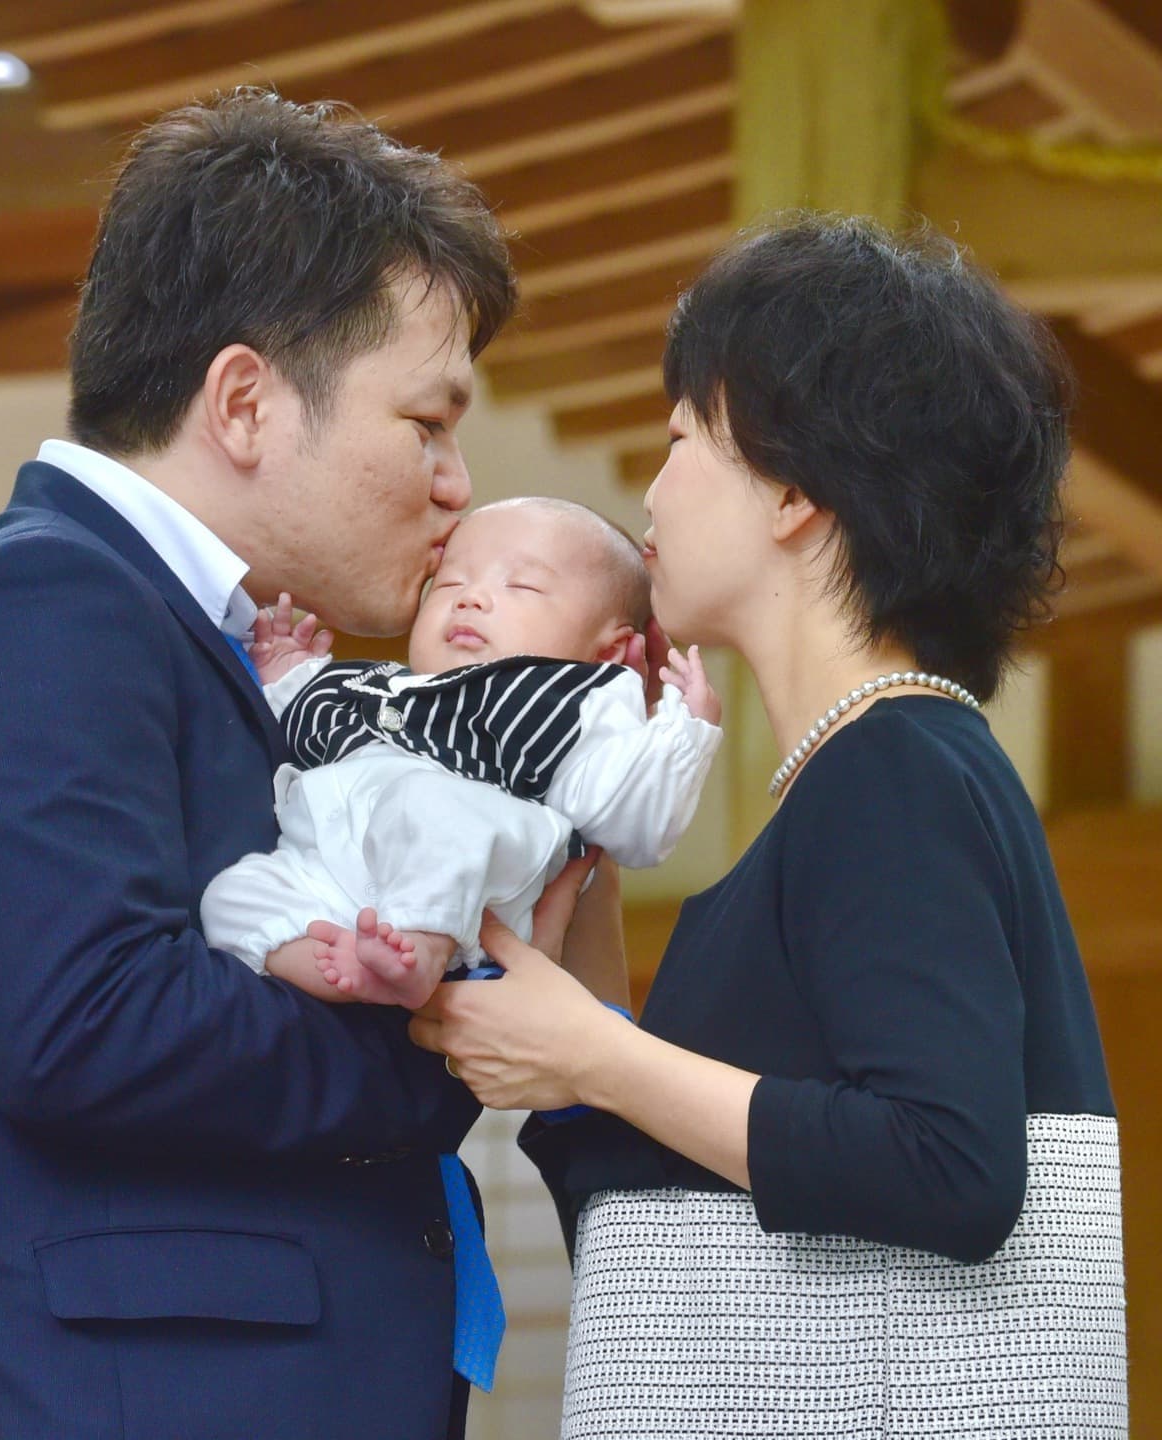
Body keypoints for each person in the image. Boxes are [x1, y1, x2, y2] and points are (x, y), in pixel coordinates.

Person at [0, 90, 522, 1440]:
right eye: (428, 422)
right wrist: (429, 1048)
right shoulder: (35, 605)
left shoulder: (188, 634)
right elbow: (83, 1022)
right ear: (248, 401)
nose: (457, 483)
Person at [410, 215, 1127, 1437]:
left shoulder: (889, 767)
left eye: (685, 436)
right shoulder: (868, 774)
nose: (652, 487)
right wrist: (580, 860)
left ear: (795, 490)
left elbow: (950, 1168)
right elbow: (649, 1207)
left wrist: (594, 1056)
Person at [200, 497, 724, 1008]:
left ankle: (423, 950)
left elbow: (633, 823)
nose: (470, 597)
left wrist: (684, 734)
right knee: (229, 893)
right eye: (449, 582)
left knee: (432, 805)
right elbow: (314, 719)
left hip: (468, 883)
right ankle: (339, 969)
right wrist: (290, 674)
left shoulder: (560, 702)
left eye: (521, 585)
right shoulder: (383, 686)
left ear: (607, 653)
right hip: (332, 882)